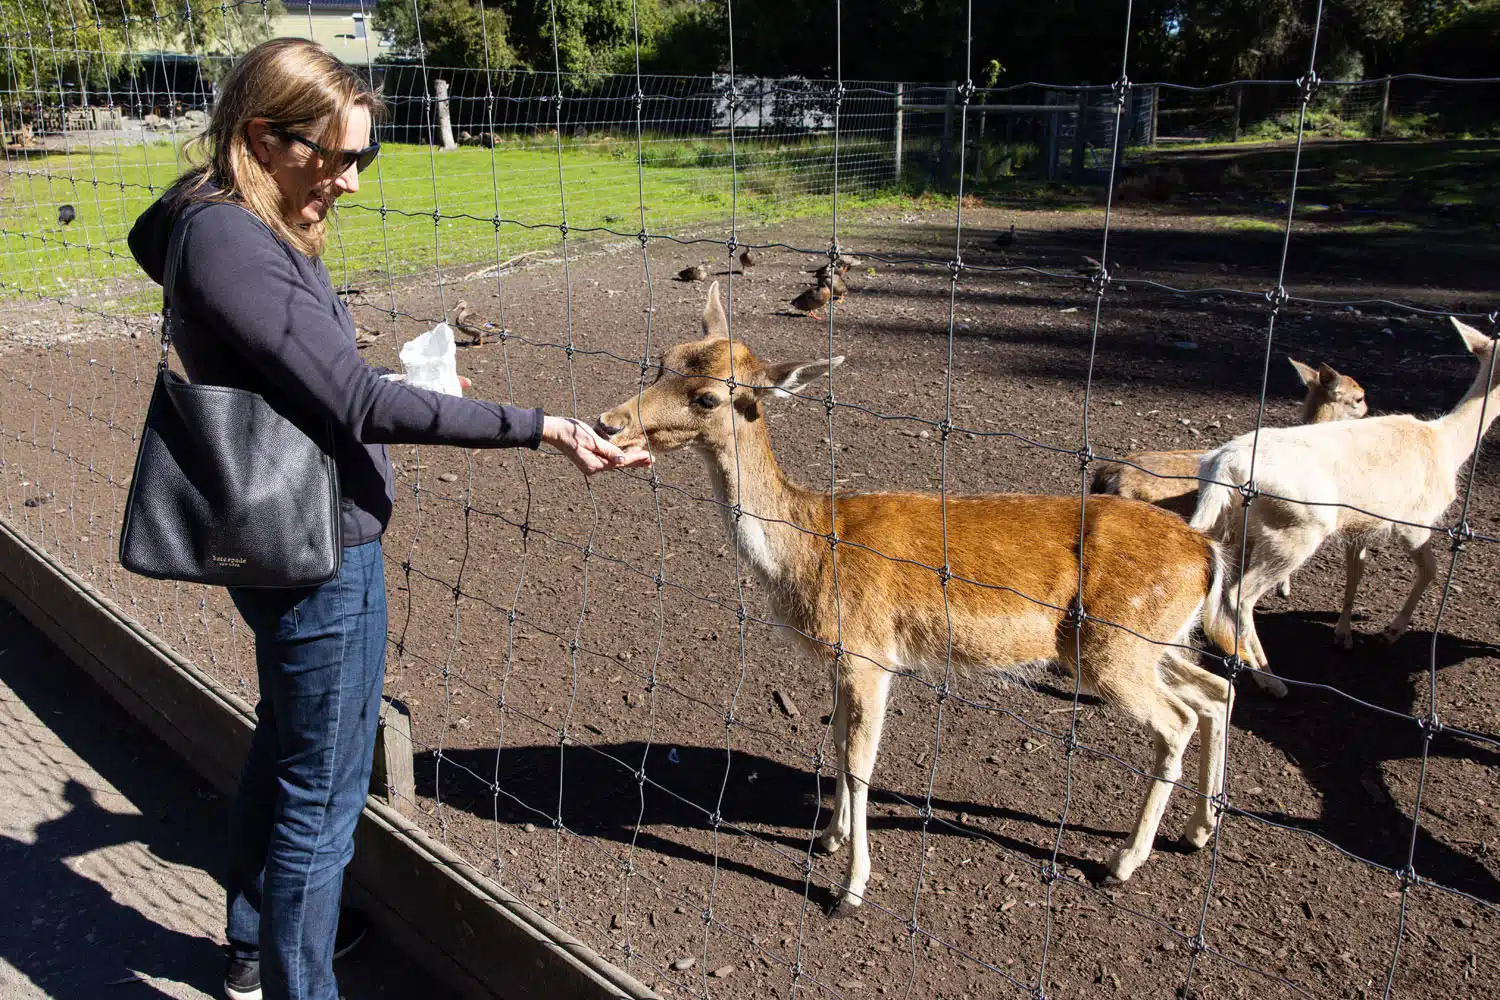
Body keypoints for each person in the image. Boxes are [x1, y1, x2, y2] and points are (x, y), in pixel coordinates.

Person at [125, 38, 650, 1000]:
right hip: (318, 552)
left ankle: (256, 944)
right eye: (337, 156)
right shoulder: (236, 242)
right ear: (262, 138)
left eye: (367, 156)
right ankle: (295, 982)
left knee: (287, 742)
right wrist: (542, 427)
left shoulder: (205, 207)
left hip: (277, 531)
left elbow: (151, 245)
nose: (354, 182)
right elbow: (359, 404)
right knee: (322, 805)